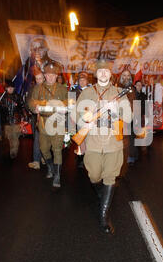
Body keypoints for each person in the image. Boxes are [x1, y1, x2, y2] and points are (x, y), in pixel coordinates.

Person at [76, 59, 132, 234]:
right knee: (93, 175)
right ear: (96, 74)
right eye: (100, 71)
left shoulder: (118, 93)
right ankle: (101, 192)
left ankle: (104, 216)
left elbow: (129, 117)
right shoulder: (87, 93)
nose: (103, 73)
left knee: (110, 176)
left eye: (106, 71)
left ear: (110, 73)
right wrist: (88, 115)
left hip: (113, 142)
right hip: (93, 140)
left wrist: (116, 110)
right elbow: (78, 114)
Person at [28, 61, 68, 188]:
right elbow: (31, 101)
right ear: (44, 75)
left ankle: (57, 176)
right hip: (43, 123)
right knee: (44, 149)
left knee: (57, 150)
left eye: (53, 75)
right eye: (48, 75)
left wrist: (65, 106)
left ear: (57, 76)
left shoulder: (62, 88)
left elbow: (70, 100)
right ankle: (50, 167)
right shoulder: (38, 88)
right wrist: (34, 107)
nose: (50, 77)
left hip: (58, 122)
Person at [0, 80, 26, 159]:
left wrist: (25, 117)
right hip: (7, 121)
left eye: (11, 87)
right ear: (6, 88)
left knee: (15, 137)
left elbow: (22, 107)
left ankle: (13, 151)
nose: (10, 89)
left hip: (16, 121)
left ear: (14, 88)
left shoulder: (18, 96)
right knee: (9, 137)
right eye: (8, 88)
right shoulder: (3, 97)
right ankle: (12, 148)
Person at [70, 71, 90, 168]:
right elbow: (70, 106)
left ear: (87, 81)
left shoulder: (91, 90)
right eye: (80, 80)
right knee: (80, 139)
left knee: (89, 139)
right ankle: (80, 158)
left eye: (84, 80)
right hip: (78, 118)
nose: (82, 82)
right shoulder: (73, 91)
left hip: (89, 118)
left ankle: (88, 157)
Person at [27, 68, 45, 169]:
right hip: (37, 118)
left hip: (47, 118)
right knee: (37, 139)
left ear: (44, 78)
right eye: (37, 78)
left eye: (40, 78)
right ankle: (36, 161)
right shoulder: (32, 89)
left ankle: (43, 157)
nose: (39, 80)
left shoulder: (49, 88)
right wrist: (34, 109)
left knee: (45, 140)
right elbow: (28, 101)